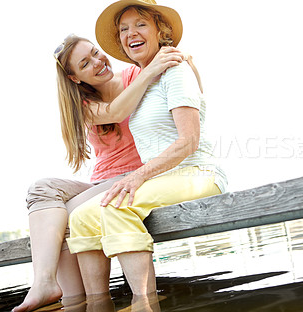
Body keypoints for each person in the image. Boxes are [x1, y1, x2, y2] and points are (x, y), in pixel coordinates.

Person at [65, 0, 227, 307]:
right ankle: (97, 304)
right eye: (124, 29)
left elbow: (188, 141)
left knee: (116, 205)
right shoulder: (140, 82)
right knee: (82, 217)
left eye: (140, 24)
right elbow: (112, 108)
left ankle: (144, 302)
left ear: (159, 29)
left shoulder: (175, 70)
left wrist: (137, 176)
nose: (131, 34)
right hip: (163, 179)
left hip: (197, 173)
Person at [13, 34, 188, 312]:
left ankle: (77, 302)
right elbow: (115, 112)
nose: (98, 61)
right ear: (74, 78)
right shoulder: (84, 105)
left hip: (136, 175)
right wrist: (151, 71)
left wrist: (161, 65)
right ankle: (44, 282)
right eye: (85, 63)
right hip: (102, 181)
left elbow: (181, 79)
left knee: (70, 215)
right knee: (41, 188)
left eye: (95, 52)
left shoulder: (135, 74)